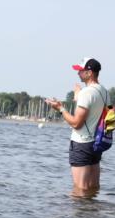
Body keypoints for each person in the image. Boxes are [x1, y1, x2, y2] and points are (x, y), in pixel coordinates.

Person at [45, 57, 109, 196]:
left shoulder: (87, 93)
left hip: (82, 143)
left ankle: (79, 216)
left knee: (80, 189)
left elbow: (76, 123)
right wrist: (78, 97)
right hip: (96, 144)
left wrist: (60, 108)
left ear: (89, 73)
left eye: (81, 70)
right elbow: (94, 111)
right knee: (93, 187)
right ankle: (91, 216)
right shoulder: (104, 92)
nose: (78, 73)